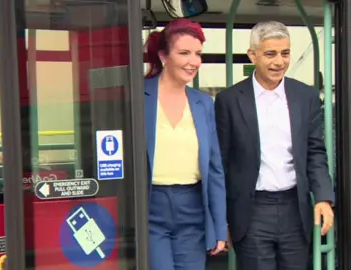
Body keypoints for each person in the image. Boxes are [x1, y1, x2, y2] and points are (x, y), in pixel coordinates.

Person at [215, 21, 335, 270]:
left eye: (285, 53)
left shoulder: (306, 96)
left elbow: (315, 151)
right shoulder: (228, 100)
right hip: (251, 211)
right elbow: (222, 163)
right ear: (253, 55)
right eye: (270, 54)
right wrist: (222, 219)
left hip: (295, 208)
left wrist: (323, 197)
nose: (279, 62)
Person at [143, 18, 227, 270]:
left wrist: (220, 227)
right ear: (163, 56)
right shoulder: (138, 97)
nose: (194, 61)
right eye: (184, 53)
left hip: (193, 209)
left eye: (198, 54)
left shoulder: (204, 103)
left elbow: (214, 170)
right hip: (150, 208)